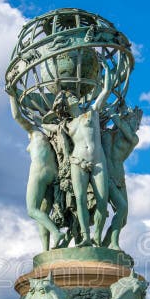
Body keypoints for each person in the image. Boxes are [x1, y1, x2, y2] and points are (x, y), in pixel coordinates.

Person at [46, 66, 113, 247]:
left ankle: (97, 236)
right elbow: (47, 127)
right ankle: (85, 237)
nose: (73, 96)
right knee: (81, 200)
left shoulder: (91, 112)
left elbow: (106, 90)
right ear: (65, 105)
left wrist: (105, 71)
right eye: (68, 96)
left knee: (101, 202)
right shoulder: (67, 125)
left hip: (98, 161)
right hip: (77, 161)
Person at [9, 92, 64, 250]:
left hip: (38, 172)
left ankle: (56, 233)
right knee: (43, 212)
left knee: (32, 210)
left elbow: (17, 116)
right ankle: (45, 249)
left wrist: (12, 95)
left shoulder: (35, 133)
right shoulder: (53, 137)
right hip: (53, 174)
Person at [101, 104, 141, 250]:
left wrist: (114, 114)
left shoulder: (133, 138)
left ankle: (103, 247)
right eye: (134, 121)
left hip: (119, 177)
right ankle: (114, 243)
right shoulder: (107, 134)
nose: (136, 126)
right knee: (122, 208)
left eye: (137, 123)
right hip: (105, 176)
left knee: (123, 220)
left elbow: (123, 128)